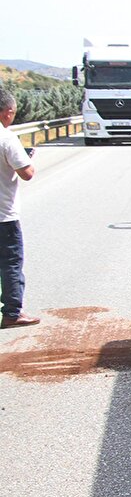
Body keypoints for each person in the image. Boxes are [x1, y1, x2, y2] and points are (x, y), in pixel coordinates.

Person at [0, 87, 38, 328]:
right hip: (4, 216)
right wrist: (31, 158)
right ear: (8, 112)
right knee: (10, 263)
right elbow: (26, 173)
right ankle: (13, 313)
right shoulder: (6, 138)